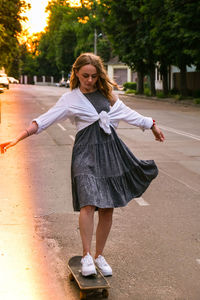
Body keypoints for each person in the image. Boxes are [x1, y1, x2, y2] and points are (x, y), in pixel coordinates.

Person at [0, 53, 165, 277]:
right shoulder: (70, 99)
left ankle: (99, 255)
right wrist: (18, 138)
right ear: (76, 73)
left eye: (94, 76)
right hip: (84, 155)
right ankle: (86, 255)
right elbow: (45, 120)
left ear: (99, 76)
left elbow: (128, 114)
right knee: (88, 203)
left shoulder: (109, 96)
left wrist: (152, 125)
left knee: (107, 206)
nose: (89, 80)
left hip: (109, 153)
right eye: (85, 75)